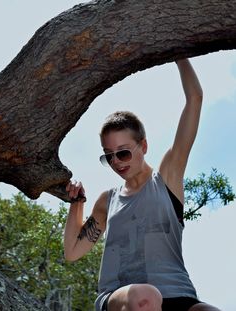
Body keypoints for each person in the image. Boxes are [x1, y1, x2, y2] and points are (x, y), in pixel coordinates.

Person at [64, 59, 221, 311]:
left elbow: (195, 98)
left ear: (144, 147)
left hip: (179, 296)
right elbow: (72, 252)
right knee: (145, 297)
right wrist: (77, 203)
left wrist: (179, 54)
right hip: (123, 298)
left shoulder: (167, 177)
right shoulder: (108, 200)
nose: (116, 162)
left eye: (123, 153)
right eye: (109, 155)